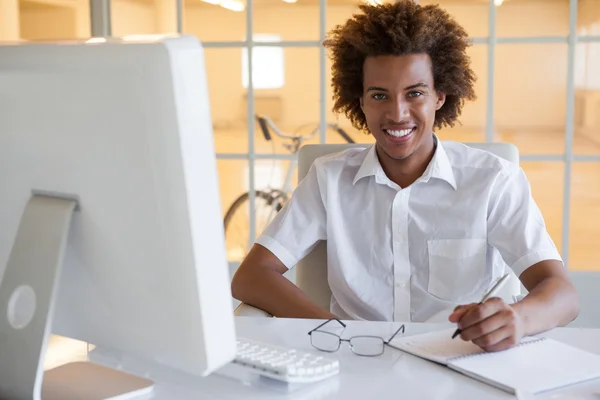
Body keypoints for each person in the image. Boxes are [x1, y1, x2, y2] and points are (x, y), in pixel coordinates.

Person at [231, 0, 579, 352]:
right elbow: (251, 277)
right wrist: (336, 331)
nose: (397, 113)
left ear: (440, 96)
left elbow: (563, 294)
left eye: (415, 93)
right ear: (361, 102)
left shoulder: (493, 180)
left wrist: (518, 318)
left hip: (460, 360)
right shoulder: (329, 179)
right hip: (355, 361)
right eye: (379, 95)